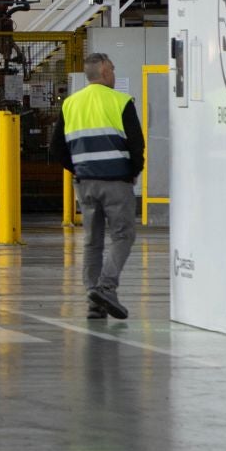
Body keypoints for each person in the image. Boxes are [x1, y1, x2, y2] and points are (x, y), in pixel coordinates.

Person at [50, 52, 146, 321]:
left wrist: (78, 169)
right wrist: (133, 171)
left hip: (86, 184)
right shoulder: (120, 101)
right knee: (123, 236)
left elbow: (56, 147)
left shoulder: (70, 103)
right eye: (113, 69)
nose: (114, 74)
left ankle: (94, 300)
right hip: (116, 181)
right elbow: (137, 144)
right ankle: (106, 287)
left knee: (92, 241)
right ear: (104, 72)